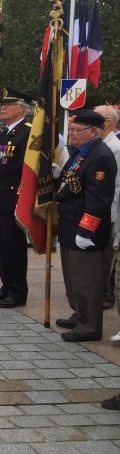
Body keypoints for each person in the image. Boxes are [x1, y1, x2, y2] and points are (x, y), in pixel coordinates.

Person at [54, 110, 117, 342]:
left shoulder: (100, 156)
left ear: (93, 132)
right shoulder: (81, 153)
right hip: (70, 223)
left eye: (75, 131)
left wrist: (86, 230)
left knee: (86, 279)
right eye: (70, 130)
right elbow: (72, 182)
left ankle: (90, 325)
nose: (71, 134)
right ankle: (80, 313)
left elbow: (98, 199)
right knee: (73, 276)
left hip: (85, 229)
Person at [0, 89, 32, 308]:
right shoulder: (5, 132)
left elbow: (25, 169)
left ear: (21, 108)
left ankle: (18, 292)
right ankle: (7, 285)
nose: (2, 108)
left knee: (14, 247)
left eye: (8, 105)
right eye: (2, 105)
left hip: (13, 198)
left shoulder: (26, 132)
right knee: (1, 246)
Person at [94, 105, 120, 321]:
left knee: (106, 256)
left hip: (110, 210)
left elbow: (117, 185)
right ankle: (99, 291)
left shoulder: (115, 147)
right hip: (101, 208)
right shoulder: (100, 145)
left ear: (108, 123)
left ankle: (106, 294)